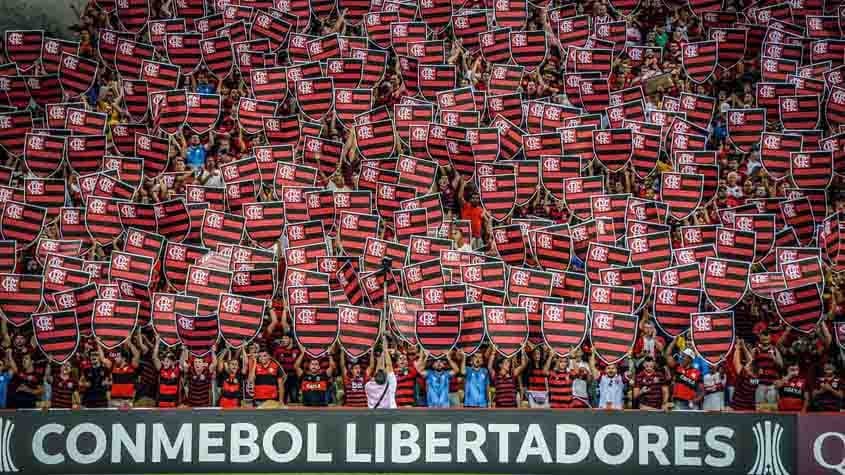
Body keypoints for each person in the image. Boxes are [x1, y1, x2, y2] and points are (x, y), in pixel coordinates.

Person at [664, 339, 703, 410]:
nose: (681, 358)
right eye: (682, 356)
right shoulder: (677, 367)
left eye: (684, 356)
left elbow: (701, 392)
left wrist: (694, 401)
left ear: (690, 359)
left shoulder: (697, 373)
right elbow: (667, 355)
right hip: (677, 402)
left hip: (690, 404)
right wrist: (674, 340)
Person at [103, 340, 141, 408]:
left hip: (127, 401)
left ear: (123, 358)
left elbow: (137, 355)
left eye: (117, 356)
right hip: (114, 401)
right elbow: (103, 359)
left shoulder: (132, 367)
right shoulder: (112, 366)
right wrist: (98, 344)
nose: (115, 358)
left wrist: (129, 342)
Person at [366, 339, 397, 409]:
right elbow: (389, 365)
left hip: (375, 417)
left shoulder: (368, 387)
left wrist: (376, 352)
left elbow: (376, 369)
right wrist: (385, 349)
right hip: (391, 416)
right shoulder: (391, 385)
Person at [152, 339, 182, 408]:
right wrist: (157, 343)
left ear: (172, 362)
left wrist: (184, 346)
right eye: (164, 361)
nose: (165, 363)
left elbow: (182, 359)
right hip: (161, 405)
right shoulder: (161, 368)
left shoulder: (177, 370)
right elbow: (154, 357)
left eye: (167, 361)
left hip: (173, 405)